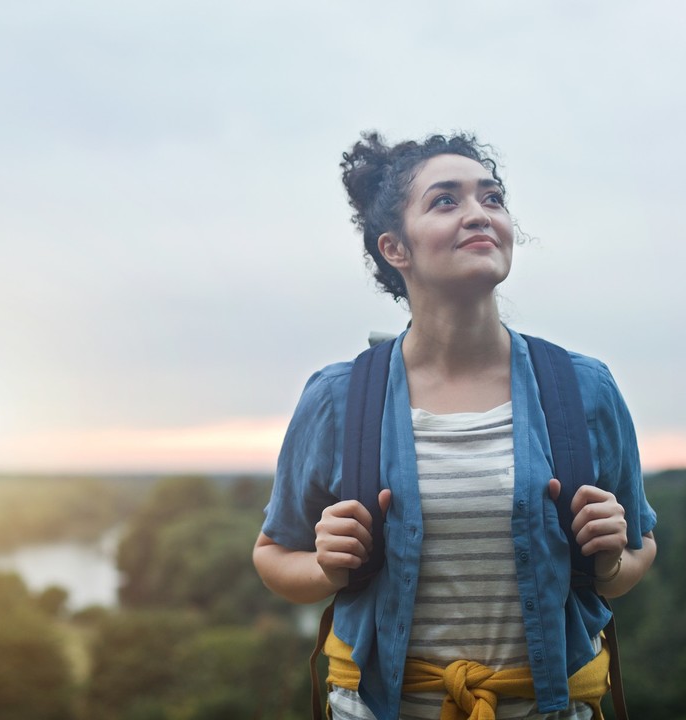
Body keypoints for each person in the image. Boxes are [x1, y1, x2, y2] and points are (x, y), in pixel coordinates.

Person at [252, 132, 657, 720]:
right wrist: (321, 566)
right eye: (446, 201)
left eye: (491, 198)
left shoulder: (586, 388)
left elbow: (635, 558)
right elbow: (271, 554)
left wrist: (614, 558)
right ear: (395, 248)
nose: (479, 214)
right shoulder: (338, 398)